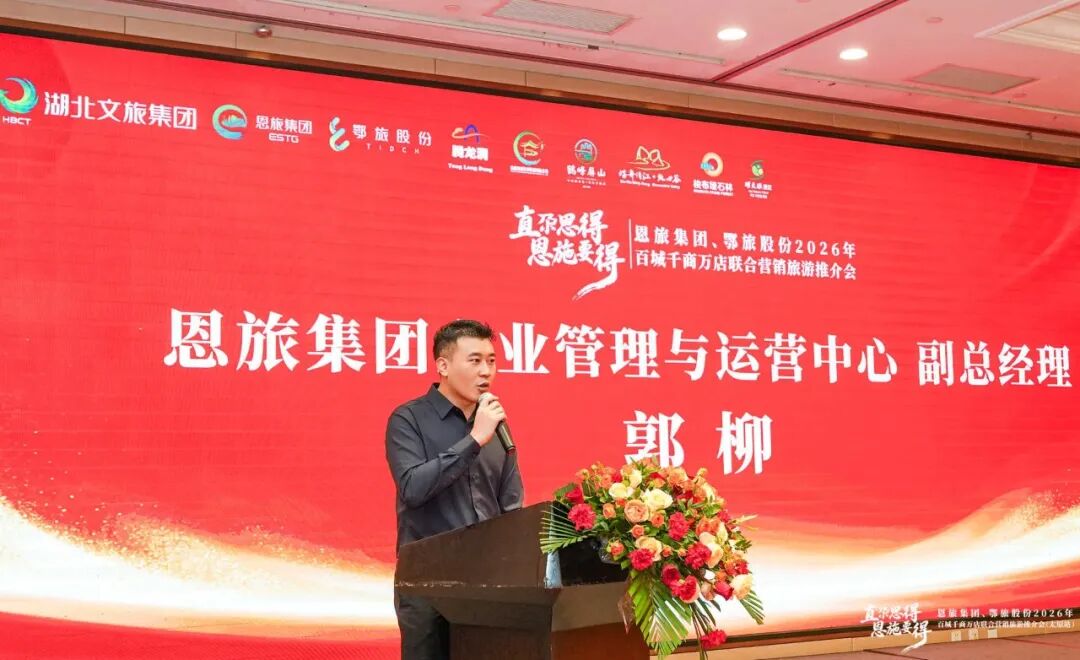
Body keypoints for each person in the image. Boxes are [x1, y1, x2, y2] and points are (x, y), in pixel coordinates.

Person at [385, 319, 525, 660]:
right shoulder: (408, 419)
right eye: (474, 360)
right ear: (443, 366)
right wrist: (474, 440)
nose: (486, 371)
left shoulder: (496, 426)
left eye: (491, 361)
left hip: (487, 584)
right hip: (427, 583)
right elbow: (413, 487)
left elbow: (511, 507)